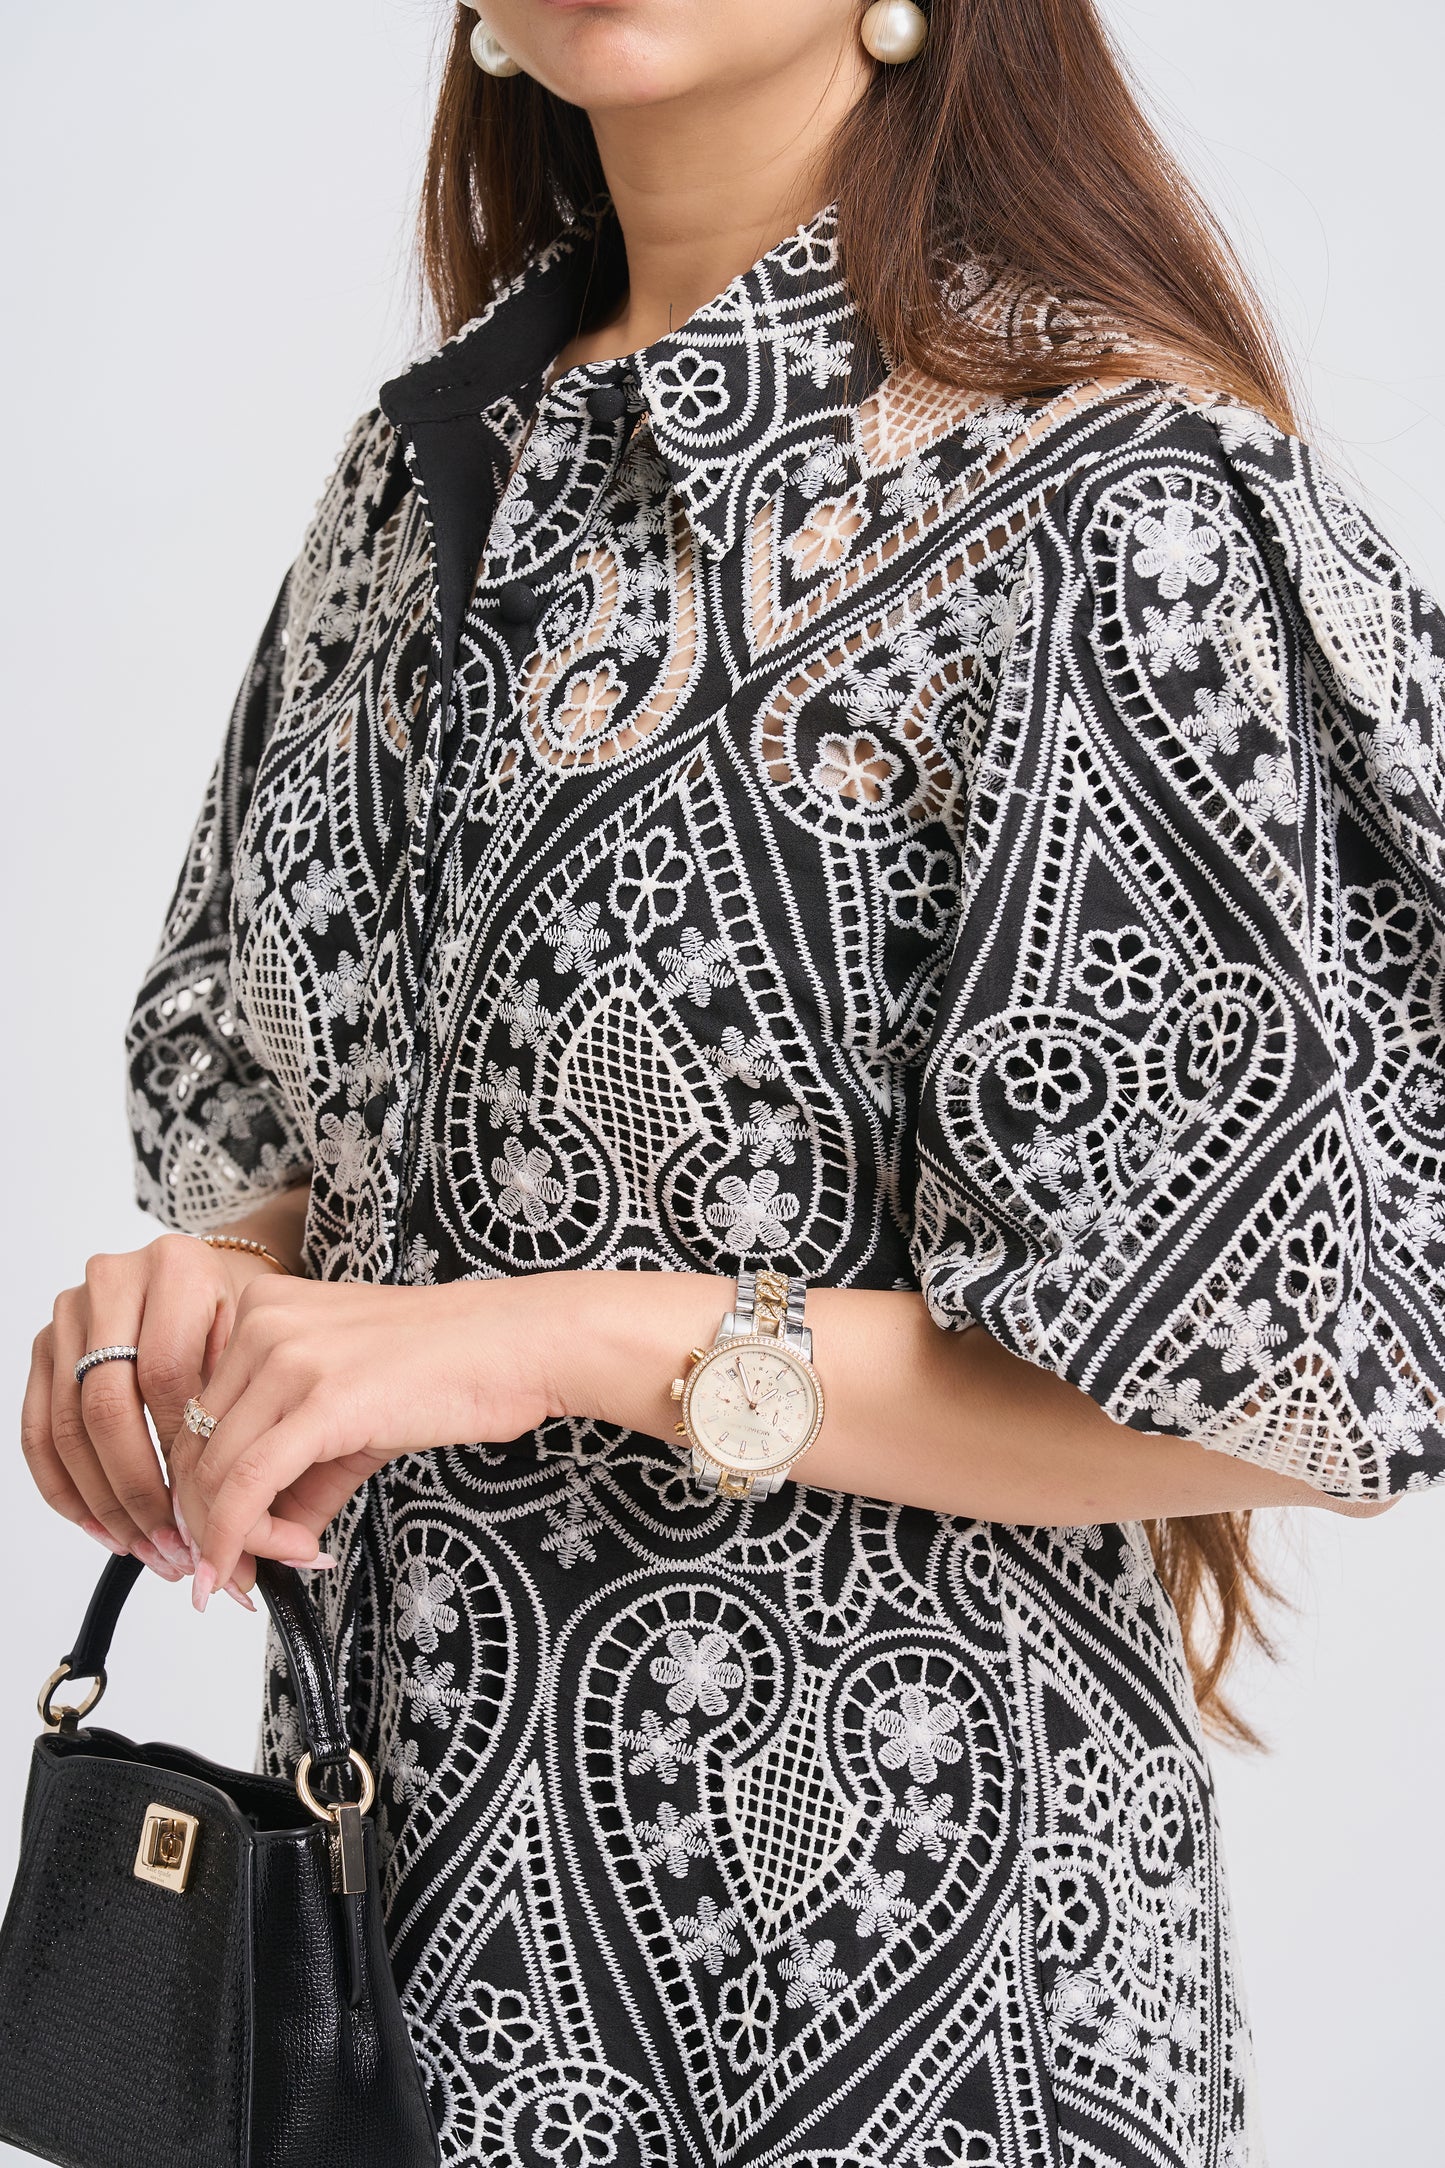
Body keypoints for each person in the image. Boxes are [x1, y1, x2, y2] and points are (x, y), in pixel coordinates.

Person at [21, 2, 1444, 2161]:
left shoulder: (1104, 504)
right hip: (381, 2013)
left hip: (901, 2033)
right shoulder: (415, 485)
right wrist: (194, 1324)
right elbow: (306, 1159)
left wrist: (547, 1341)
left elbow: (1270, 1379)